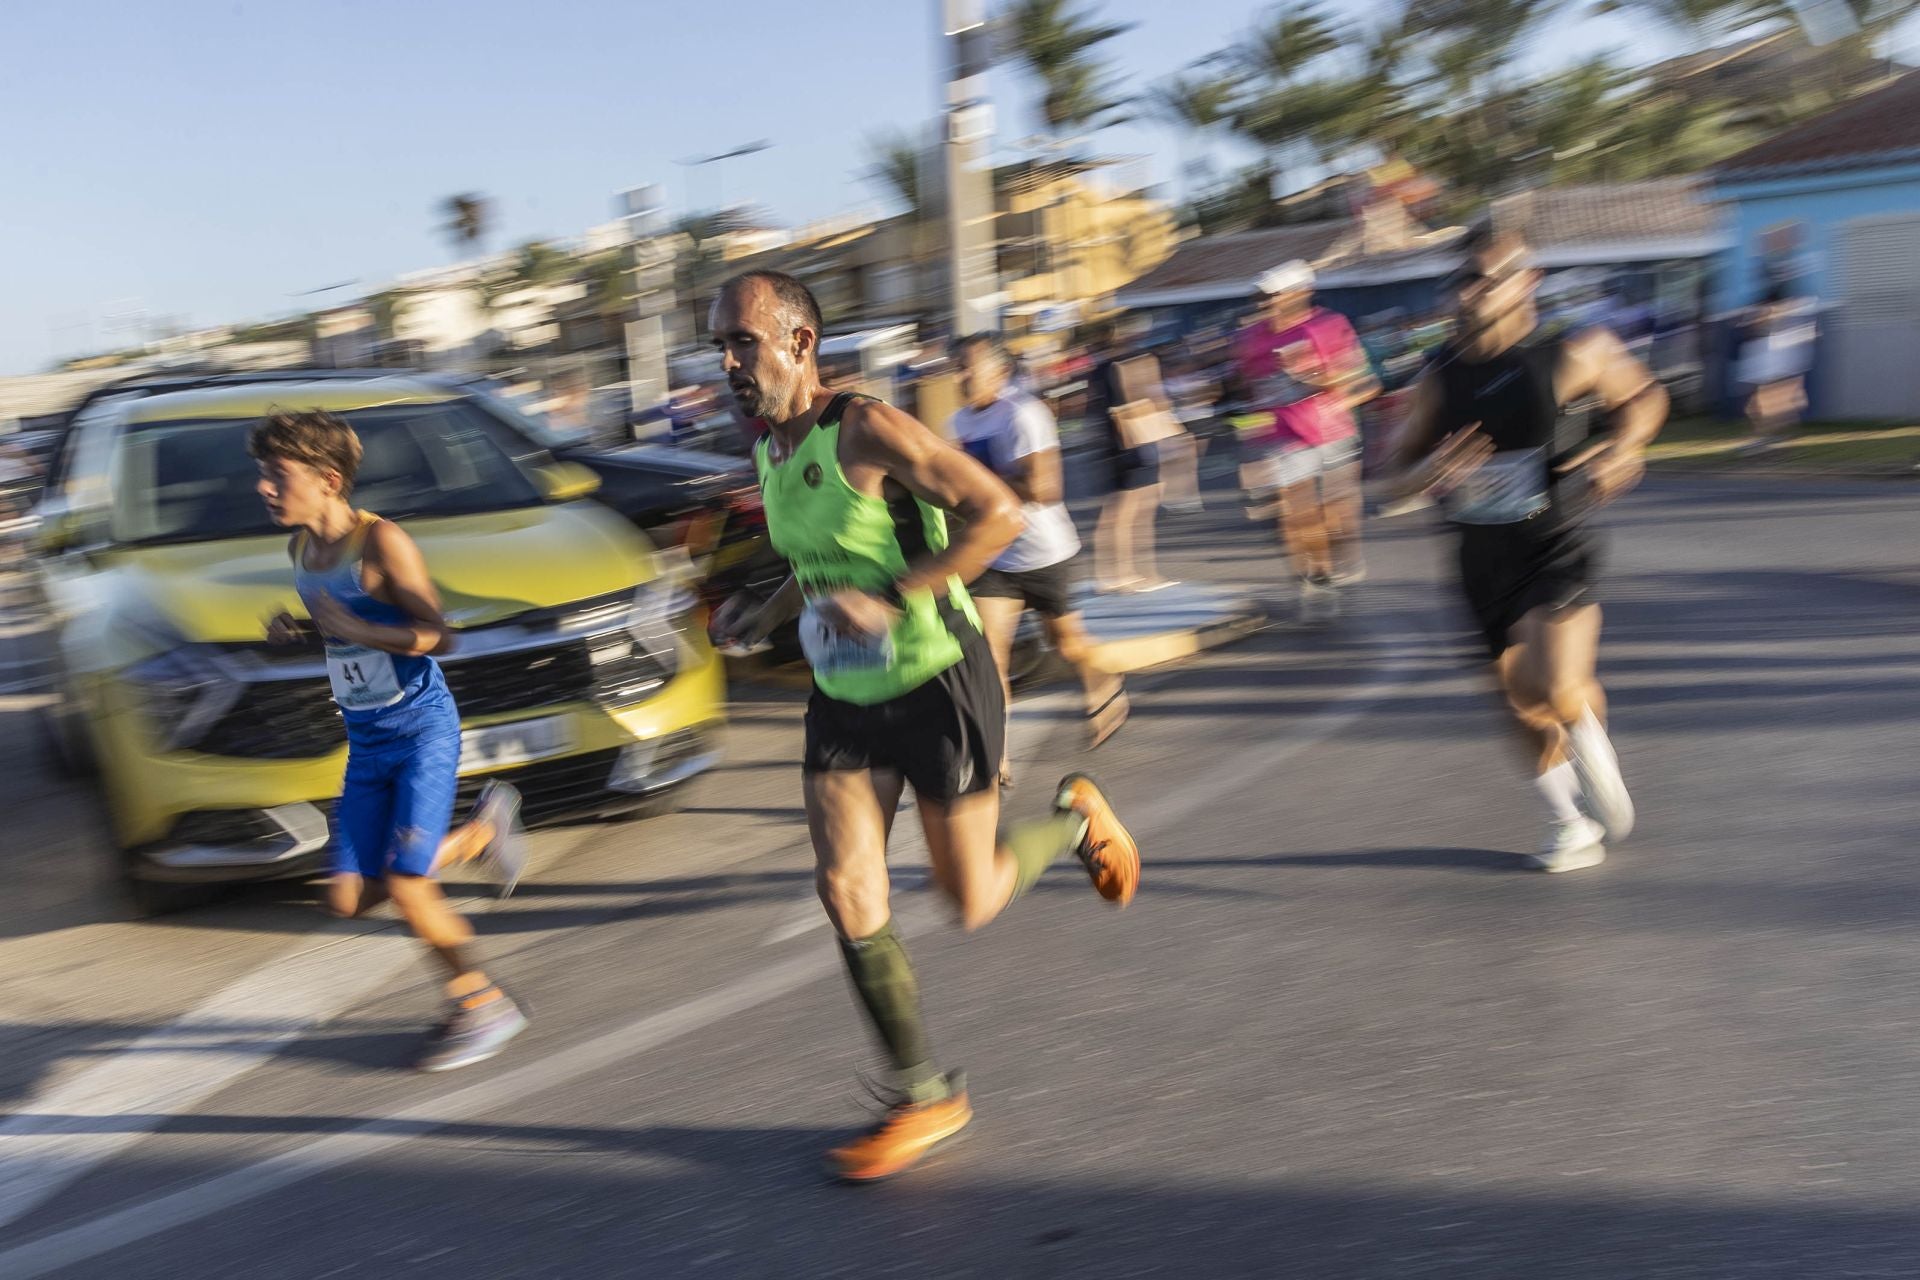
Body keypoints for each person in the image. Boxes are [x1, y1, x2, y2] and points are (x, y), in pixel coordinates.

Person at [706, 271, 1141, 1183]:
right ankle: (924, 1093)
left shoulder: (865, 427)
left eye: (742, 342)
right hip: (842, 694)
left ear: (798, 342)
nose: (728, 362)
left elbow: (1000, 512)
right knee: (845, 889)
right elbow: (819, 562)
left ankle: (1075, 818)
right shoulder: (771, 453)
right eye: (720, 347)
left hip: (938, 679)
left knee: (970, 901)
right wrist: (766, 609)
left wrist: (899, 594)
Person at [251, 410, 530, 1070]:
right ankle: (481, 834)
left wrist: (352, 624)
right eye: (261, 474)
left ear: (327, 479)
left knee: (409, 888)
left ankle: (481, 1004)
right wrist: (302, 629)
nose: (263, 488)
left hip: (420, 732)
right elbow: (341, 629)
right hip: (367, 741)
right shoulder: (301, 550)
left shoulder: (381, 544)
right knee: (347, 896)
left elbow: (440, 635)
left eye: (275, 475)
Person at [1383, 229, 1667, 873]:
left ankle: (1594, 751)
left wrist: (1626, 448)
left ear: (1526, 281)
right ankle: (1569, 823)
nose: (1469, 292)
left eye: (1486, 277)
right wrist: (1429, 471)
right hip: (1481, 557)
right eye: (1462, 279)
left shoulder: (1573, 354)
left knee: (1559, 686)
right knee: (1516, 703)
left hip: (1557, 540)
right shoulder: (1440, 379)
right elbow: (1391, 476)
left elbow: (1646, 398)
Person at [947, 333, 1130, 789]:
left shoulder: (1025, 413)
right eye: (958, 367)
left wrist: (981, 482)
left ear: (999, 372)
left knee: (1067, 647)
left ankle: (1104, 680)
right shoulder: (958, 421)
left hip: (1045, 553)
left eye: (970, 367)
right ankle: (996, 754)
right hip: (995, 558)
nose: (962, 376)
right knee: (989, 660)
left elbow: (1047, 488)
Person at [1234, 262, 1379, 617]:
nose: (1264, 304)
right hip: (1285, 436)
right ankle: (1315, 580)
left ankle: (1341, 553)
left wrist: (1312, 376)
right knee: (1295, 514)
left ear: (1300, 293)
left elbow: (1362, 382)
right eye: (1260, 297)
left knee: (1337, 519)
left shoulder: (1327, 326)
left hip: (1332, 430)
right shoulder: (1251, 338)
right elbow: (1248, 388)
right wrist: (1252, 428)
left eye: (1272, 296)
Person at [1083, 324, 1173, 593]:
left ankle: (1127, 573)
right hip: (1131, 446)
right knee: (1126, 514)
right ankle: (1124, 574)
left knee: (1128, 513)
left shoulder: (1100, 369)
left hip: (1120, 446)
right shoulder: (1119, 366)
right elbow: (1127, 408)